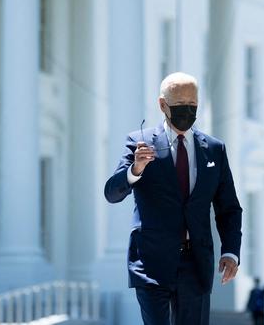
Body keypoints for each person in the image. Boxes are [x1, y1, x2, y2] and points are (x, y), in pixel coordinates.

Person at [104, 72, 243, 325]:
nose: (187, 111)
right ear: (162, 105)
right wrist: (135, 170)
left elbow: (229, 208)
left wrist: (231, 251)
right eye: (180, 106)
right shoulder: (139, 143)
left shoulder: (214, 149)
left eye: (193, 105)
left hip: (196, 263)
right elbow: (112, 193)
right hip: (151, 262)